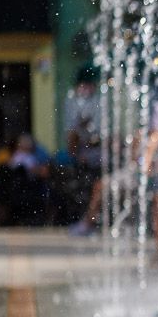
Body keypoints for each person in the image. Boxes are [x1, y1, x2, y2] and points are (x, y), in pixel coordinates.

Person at [66, 67, 103, 236]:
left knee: (94, 187)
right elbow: (72, 131)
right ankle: (86, 221)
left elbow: (100, 133)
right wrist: (75, 151)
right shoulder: (74, 100)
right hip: (83, 154)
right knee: (83, 189)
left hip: (96, 154)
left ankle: (91, 221)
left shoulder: (98, 101)